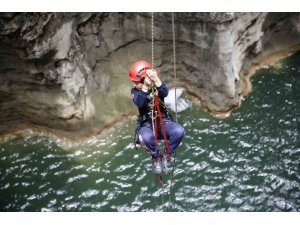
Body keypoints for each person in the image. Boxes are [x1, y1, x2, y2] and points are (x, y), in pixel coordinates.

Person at [129, 60, 185, 174]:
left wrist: (156, 79)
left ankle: (167, 154)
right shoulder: (135, 91)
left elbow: (165, 92)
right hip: (147, 125)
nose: (135, 84)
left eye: (136, 82)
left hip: (162, 121)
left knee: (179, 131)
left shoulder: (156, 87)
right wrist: (144, 87)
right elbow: (139, 102)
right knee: (145, 138)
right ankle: (155, 156)